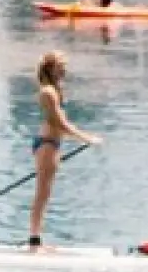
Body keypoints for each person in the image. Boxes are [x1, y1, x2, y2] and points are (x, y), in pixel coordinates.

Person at [30, 53, 102, 248]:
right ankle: (34, 242)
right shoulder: (48, 93)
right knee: (42, 193)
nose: (65, 70)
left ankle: (37, 240)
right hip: (46, 144)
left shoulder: (55, 90)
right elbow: (59, 123)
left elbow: (62, 124)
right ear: (51, 68)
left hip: (52, 144)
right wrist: (87, 138)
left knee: (46, 193)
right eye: (61, 66)